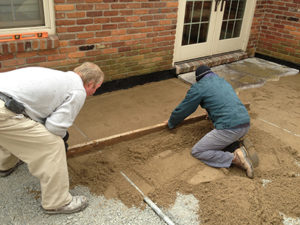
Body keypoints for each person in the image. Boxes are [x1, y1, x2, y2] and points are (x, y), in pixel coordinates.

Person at [0, 62, 104, 214]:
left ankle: (4, 165)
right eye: (95, 88)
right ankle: (57, 202)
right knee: (53, 145)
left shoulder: (56, 76)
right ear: (90, 84)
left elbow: (32, 111)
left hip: (6, 102)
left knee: (17, 128)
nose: (93, 92)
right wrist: (62, 137)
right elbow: (55, 128)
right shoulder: (78, 91)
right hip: (4, 111)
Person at [167, 65, 254, 178]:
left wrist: (171, 123)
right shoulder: (223, 82)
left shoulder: (199, 87)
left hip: (230, 127)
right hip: (245, 123)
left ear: (198, 79)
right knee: (221, 130)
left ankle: (235, 159)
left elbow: (185, 108)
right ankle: (237, 147)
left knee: (198, 151)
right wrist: (211, 112)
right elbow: (224, 100)